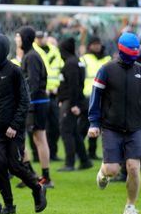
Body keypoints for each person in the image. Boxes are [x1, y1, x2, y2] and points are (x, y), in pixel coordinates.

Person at [0, 34, 47, 214]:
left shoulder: (14, 71)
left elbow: (25, 100)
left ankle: (37, 188)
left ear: (2, 48)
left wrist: (14, 126)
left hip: (14, 130)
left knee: (15, 165)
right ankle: (9, 205)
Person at [88, 32, 141, 214]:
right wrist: (94, 123)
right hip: (111, 128)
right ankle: (102, 172)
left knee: (133, 168)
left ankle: (130, 207)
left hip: (135, 129)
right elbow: (96, 98)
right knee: (112, 170)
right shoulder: (106, 70)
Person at [16, 26, 52, 187]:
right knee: (24, 138)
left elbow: (33, 83)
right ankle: (29, 174)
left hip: (36, 104)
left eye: (18, 36)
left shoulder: (31, 57)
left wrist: (23, 101)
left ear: (24, 38)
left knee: (39, 138)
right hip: (33, 103)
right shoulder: (29, 56)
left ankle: (46, 177)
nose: (16, 39)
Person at [56, 37, 92, 171]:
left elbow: (74, 86)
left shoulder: (70, 64)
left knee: (66, 131)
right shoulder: (76, 62)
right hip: (73, 101)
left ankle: (69, 163)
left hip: (71, 102)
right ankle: (85, 160)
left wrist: (73, 104)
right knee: (74, 132)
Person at [33, 31, 62, 164]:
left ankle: (53, 152)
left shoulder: (55, 51)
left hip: (53, 93)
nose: (40, 40)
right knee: (38, 127)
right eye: (37, 37)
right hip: (40, 93)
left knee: (55, 125)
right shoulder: (33, 50)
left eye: (41, 37)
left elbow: (59, 69)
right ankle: (36, 154)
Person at [80, 36, 110, 160]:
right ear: (89, 46)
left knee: (97, 126)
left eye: (98, 43)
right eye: (94, 44)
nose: (96, 46)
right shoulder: (85, 59)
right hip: (88, 95)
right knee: (83, 126)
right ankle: (80, 150)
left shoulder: (107, 59)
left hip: (103, 97)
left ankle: (92, 152)